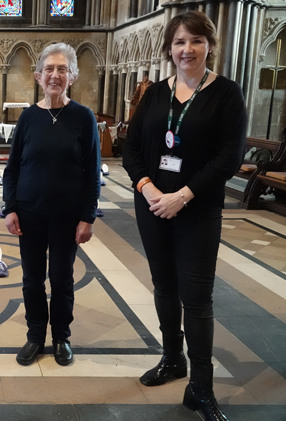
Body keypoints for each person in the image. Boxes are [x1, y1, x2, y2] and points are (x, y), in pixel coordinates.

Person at [123, 11, 246, 421]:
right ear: (169, 49)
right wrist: (150, 189)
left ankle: (201, 388)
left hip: (198, 209)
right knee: (163, 286)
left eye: (195, 41)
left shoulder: (226, 93)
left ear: (210, 45)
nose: (187, 49)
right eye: (179, 42)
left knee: (196, 298)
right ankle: (172, 359)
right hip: (153, 205)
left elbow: (229, 156)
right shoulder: (156, 93)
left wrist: (184, 195)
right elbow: (132, 148)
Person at [3, 42, 101, 367]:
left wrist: (87, 216)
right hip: (29, 214)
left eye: (62, 69)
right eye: (49, 69)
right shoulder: (28, 118)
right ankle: (35, 336)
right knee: (32, 279)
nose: (55, 75)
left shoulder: (83, 118)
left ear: (72, 76)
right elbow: (13, 167)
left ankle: (61, 337)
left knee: (61, 279)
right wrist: (10, 207)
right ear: (38, 75)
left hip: (66, 217)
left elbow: (92, 172)